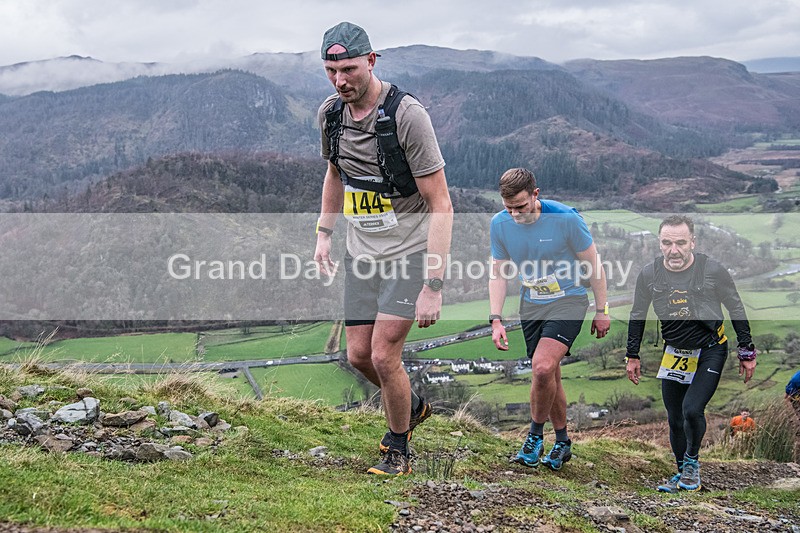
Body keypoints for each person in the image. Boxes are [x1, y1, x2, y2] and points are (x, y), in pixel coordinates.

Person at [313, 22, 453, 476]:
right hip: (363, 252)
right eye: (331, 71)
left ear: (371, 61)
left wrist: (433, 283)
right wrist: (324, 234)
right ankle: (409, 405)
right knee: (356, 355)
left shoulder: (406, 116)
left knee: (381, 355)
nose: (340, 80)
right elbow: (336, 174)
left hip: (411, 252)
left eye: (349, 69)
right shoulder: (331, 115)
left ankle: (398, 449)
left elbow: (441, 203)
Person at [489, 168, 610, 471]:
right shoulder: (499, 224)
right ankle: (563, 442)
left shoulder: (566, 218)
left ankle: (533, 438)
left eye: (521, 206)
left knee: (541, 367)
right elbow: (499, 273)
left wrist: (602, 310)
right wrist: (495, 318)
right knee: (550, 374)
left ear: (535, 194)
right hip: (532, 303)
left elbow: (595, 266)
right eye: (509, 208)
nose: (515, 214)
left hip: (568, 300)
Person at [625, 215, 757, 493]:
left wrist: (746, 350)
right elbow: (637, 314)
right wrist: (632, 354)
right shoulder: (649, 274)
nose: (674, 250)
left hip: (710, 349)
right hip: (674, 352)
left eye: (681, 243)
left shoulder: (713, 270)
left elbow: (736, 307)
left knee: (692, 409)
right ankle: (682, 472)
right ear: (659, 244)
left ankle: (692, 464)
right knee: (674, 417)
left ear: (692, 243)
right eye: (667, 243)